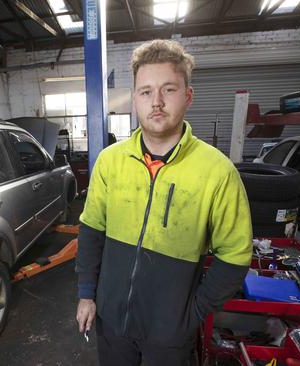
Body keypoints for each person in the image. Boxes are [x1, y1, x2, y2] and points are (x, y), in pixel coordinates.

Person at [75, 39, 253, 365]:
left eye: (168, 90)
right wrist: (87, 294)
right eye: (145, 92)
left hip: (170, 335)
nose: (156, 102)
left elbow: (236, 254)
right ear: (135, 100)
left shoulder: (217, 172)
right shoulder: (110, 161)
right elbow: (91, 229)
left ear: (187, 97)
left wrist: (192, 314)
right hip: (112, 323)